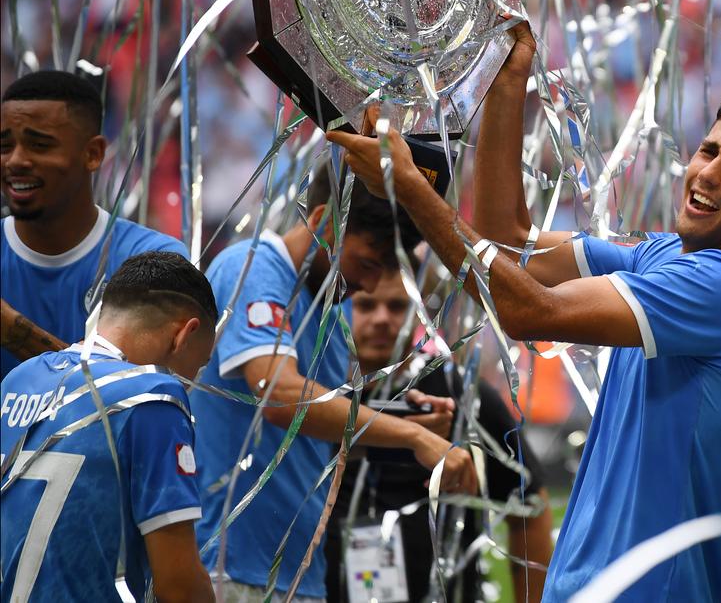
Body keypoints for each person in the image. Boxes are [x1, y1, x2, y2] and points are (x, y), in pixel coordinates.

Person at [328, 21, 721, 602]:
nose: (708, 172)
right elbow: (506, 242)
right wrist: (508, 84)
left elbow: (526, 311)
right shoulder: (666, 255)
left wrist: (412, 188)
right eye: (709, 151)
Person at [190, 168, 479, 602]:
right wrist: (413, 435)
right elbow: (280, 398)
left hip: (296, 573)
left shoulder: (326, 304)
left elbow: (311, 429)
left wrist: (396, 415)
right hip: (228, 568)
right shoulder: (253, 266)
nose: (370, 283)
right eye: (367, 262)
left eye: (384, 269)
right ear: (326, 222)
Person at [324, 268, 554, 603]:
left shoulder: (460, 391)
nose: (382, 319)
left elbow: (531, 504)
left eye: (397, 306)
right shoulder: (314, 397)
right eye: (365, 305)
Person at [1, 251, 218, 602]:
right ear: (185, 334)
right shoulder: (154, 397)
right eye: (201, 364)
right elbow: (179, 586)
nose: (193, 381)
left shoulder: (19, 378)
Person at [1, 70, 190, 378]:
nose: (15, 161)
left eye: (40, 145)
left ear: (93, 154)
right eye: (4, 146)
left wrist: (10, 328)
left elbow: (133, 396)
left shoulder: (154, 260)